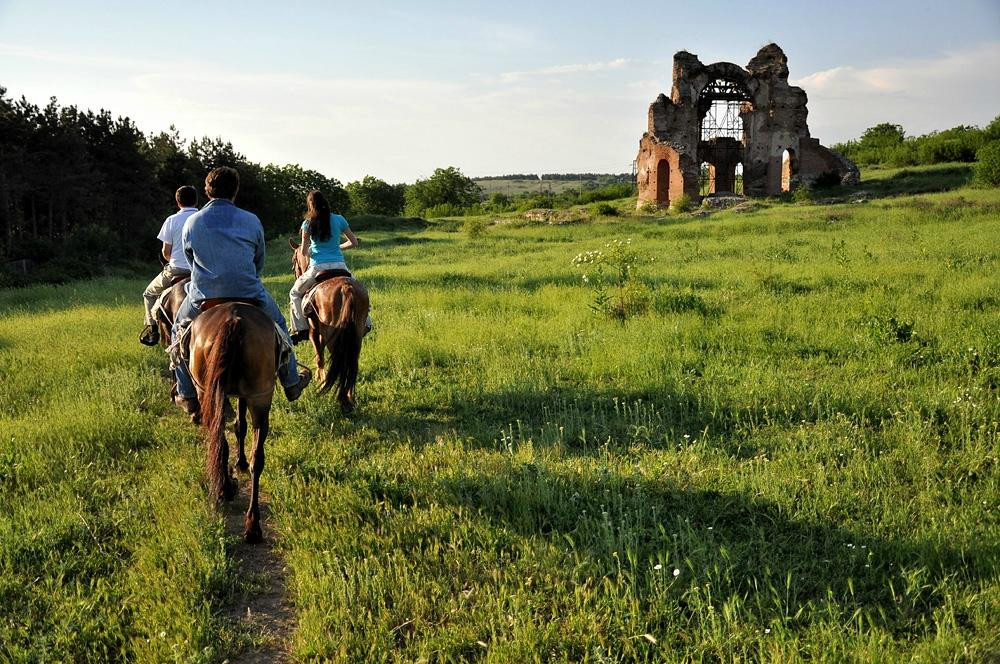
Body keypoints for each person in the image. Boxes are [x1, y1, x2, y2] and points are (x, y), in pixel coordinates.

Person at [171, 166, 310, 416]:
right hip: (249, 292)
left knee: (177, 331)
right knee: (279, 324)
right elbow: (259, 260)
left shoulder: (191, 222)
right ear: (235, 191)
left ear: (207, 190)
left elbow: (192, 261)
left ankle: (187, 393)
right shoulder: (251, 220)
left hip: (205, 294)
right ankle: (291, 383)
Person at [288, 190, 362, 343]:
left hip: (317, 267)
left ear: (310, 204)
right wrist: (337, 247)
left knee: (294, 293)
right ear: (325, 202)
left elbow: (303, 251)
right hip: (340, 266)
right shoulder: (339, 219)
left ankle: (300, 329)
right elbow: (354, 242)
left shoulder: (307, 223)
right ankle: (366, 322)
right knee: (358, 290)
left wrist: (312, 250)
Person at [139, 186, 198, 346]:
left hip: (176, 270)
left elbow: (166, 251)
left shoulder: (171, 220)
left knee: (149, 294)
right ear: (196, 200)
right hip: (200, 271)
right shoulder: (202, 218)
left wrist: (172, 259)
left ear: (178, 202)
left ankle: (152, 331)